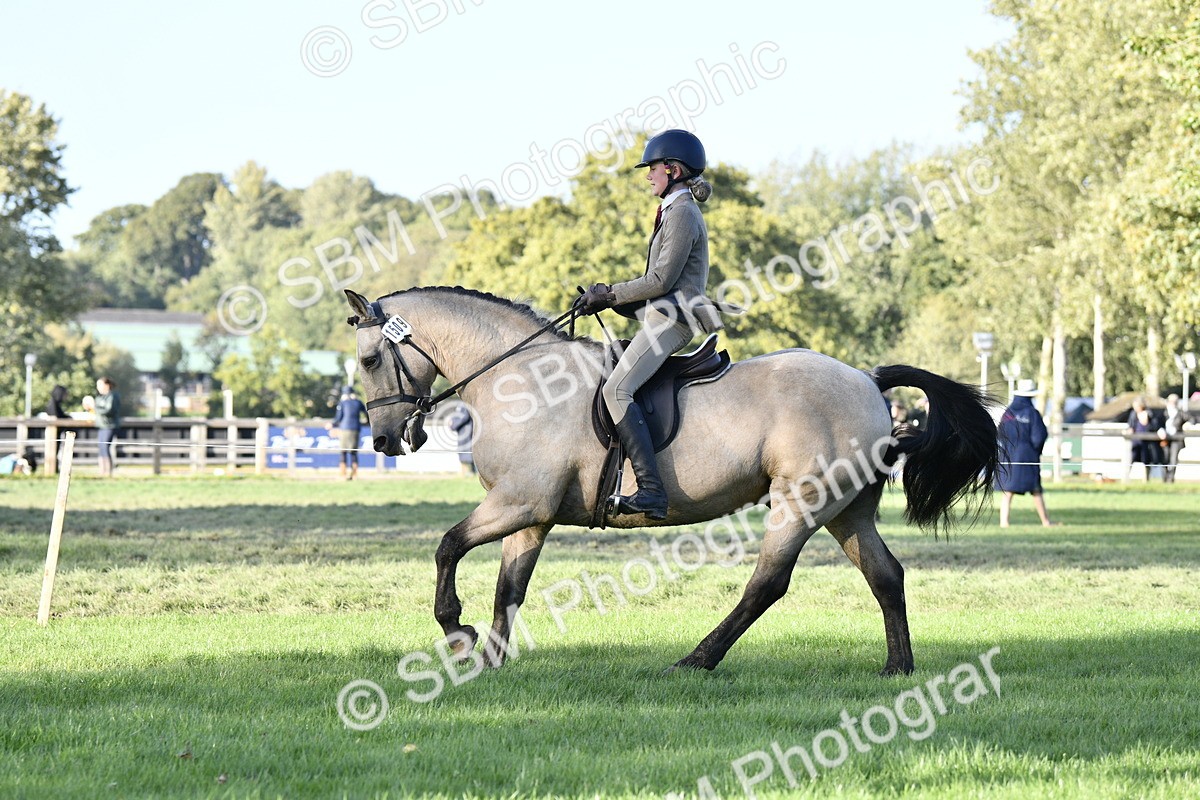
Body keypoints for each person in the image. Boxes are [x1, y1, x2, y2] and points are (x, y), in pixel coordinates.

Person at [578, 129, 724, 520]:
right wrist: (608, 303)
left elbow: (660, 281)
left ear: (672, 170)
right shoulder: (673, 211)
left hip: (672, 322)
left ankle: (651, 491)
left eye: (653, 169)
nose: (648, 176)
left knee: (616, 390)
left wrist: (609, 294)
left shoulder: (683, 213)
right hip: (659, 317)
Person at [995, 379, 1055, 527]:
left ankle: (1004, 522)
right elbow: (1039, 436)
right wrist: (1036, 450)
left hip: (1009, 455)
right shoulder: (1032, 413)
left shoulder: (1008, 413)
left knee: (1008, 489)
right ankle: (1045, 521)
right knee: (1035, 489)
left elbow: (1000, 433)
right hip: (1027, 455)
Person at [327, 386, 367, 480]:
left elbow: (338, 418)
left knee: (343, 452)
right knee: (354, 452)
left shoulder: (343, 403)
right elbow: (366, 413)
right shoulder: (358, 402)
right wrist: (367, 421)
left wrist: (332, 424)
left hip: (345, 429)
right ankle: (354, 474)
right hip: (356, 429)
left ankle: (343, 474)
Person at [84, 377, 121, 477]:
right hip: (101, 426)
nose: (98, 387)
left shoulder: (112, 396)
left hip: (109, 426)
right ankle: (102, 471)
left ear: (107, 385)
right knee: (101, 448)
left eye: (100, 385)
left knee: (105, 447)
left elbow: (108, 411)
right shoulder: (99, 397)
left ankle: (108, 472)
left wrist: (94, 407)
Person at [1126, 396, 1164, 481]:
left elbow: (1154, 426)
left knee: (1146, 459)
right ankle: (1127, 478)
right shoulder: (1133, 414)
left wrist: (1146, 422)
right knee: (1132, 457)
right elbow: (1131, 425)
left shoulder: (1149, 413)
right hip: (1136, 440)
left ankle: (1146, 479)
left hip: (1147, 442)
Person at [1163, 394, 1187, 483]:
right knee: (1164, 458)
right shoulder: (1163, 413)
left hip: (1176, 439)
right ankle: (1165, 477)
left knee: (1173, 459)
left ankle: (1170, 478)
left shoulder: (1181, 413)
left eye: (1174, 402)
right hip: (1165, 439)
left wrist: (1188, 424)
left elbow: (1192, 419)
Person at [448, 402, 476, 476]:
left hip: (467, 431)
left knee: (468, 450)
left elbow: (464, 417)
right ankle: (465, 472)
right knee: (463, 450)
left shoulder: (466, 404)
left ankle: (471, 472)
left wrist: (453, 424)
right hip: (462, 431)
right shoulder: (461, 404)